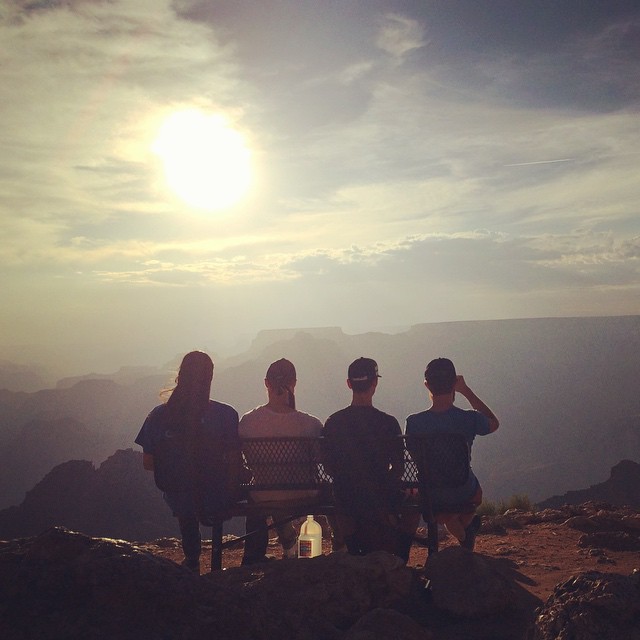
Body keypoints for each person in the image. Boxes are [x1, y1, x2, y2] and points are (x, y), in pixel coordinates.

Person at [135, 350, 239, 572]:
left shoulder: (158, 416)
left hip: (177, 495)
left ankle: (192, 557)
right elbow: (233, 460)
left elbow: (148, 462)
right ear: (210, 378)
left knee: (185, 496)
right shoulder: (226, 415)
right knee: (204, 488)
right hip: (217, 496)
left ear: (180, 376)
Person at [322, 357, 419, 562]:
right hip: (382, 494)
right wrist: (384, 486)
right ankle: (400, 558)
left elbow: (329, 467)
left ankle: (356, 550)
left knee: (340, 500)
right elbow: (399, 468)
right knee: (413, 505)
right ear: (375, 383)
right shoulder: (388, 423)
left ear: (349, 384)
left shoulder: (333, 422)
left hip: (346, 495)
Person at [405, 357, 499, 550]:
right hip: (464, 490)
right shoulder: (469, 419)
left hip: (431, 493)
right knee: (466, 495)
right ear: (454, 384)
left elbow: (416, 458)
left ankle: (464, 533)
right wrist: (466, 391)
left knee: (444, 506)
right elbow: (493, 422)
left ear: (427, 385)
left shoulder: (414, 423)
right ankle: (465, 532)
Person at [239, 358, 323, 565]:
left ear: (266, 383)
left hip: (264, 496)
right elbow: (322, 460)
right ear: (294, 383)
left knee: (266, 489)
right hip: (304, 494)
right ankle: (340, 549)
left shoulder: (247, 422)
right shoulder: (311, 424)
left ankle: (254, 555)